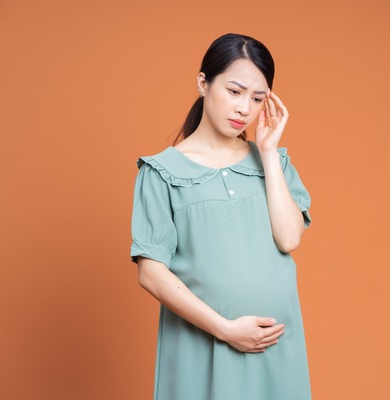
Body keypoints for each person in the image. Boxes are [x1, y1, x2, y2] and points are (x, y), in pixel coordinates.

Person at [129, 33, 313, 400]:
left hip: (276, 344)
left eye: (257, 98)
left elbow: (289, 238)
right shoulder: (161, 172)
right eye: (234, 91)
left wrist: (268, 152)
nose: (244, 108)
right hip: (203, 345)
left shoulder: (274, 163)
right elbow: (151, 273)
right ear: (203, 83)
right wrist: (225, 330)